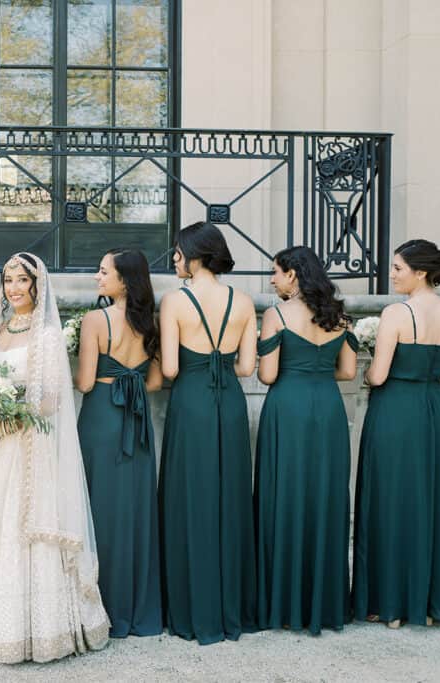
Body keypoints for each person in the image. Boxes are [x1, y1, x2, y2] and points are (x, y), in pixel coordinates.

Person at [0, 252, 110, 663]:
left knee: (25, 523)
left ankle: (42, 630)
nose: (13, 288)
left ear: (36, 285)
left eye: (21, 281)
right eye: (7, 280)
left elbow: (49, 400)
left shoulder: (46, 335)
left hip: (30, 447)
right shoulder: (0, 329)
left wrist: (3, 420)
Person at [353, 239, 440, 629]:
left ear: (420, 272)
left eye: (398, 268)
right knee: (425, 499)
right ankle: (428, 602)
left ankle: (388, 604)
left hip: (395, 410)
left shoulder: (397, 313)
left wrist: (366, 367)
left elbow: (378, 374)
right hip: (431, 410)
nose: (392, 274)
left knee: (388, 499)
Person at [158, 221, 258, 644]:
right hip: (230, 401)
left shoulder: (175, 301)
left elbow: (169, 369)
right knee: (231, 498)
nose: (174, 259)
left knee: (188, 497)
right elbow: (247, 368)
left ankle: (189, 608)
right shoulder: (245, 301)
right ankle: (232, 606)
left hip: (192, 400)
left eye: (178, 253)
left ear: (195, 254)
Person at [254, 246, 358, 634]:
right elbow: (347, 373)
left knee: (284, 494)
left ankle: (283, 602)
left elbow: (266, 375)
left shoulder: (277, 315)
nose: (272, 280)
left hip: (288, 405)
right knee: (325, 496)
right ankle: (324, 602)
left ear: (293, 275)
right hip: (328, 409)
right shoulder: (341, 318)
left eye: (276, 273)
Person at [75, 248, 163, 638]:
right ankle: (135, 606)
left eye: (102, 271)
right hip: (136, 419)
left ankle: (99, 606)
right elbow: (157, 381)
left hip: (101, 419)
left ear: (124, 280)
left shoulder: (95, 320)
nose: (97, 277)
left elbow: (85, 383)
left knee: (97, 509)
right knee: (136, 511)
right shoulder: (152, 323)